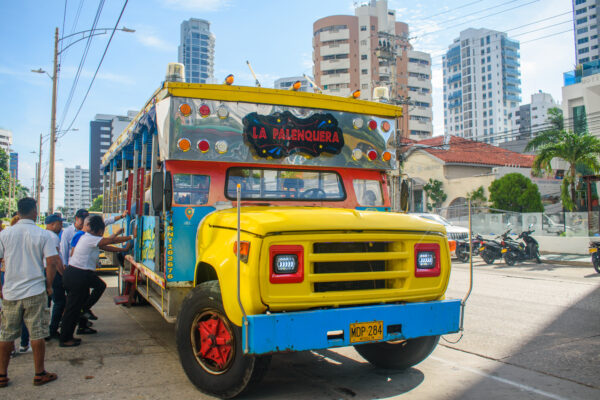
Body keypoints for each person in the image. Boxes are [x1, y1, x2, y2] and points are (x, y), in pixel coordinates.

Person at [0, 198, 61, 387]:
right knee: (37, 333)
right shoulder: (43, 235)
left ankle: (2, 374)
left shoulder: (5, 234)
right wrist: (48, 285)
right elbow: (51, 262)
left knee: (7, 334)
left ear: (18, 212)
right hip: (35, 290)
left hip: (11, 291)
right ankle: (39, 373)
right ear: (35, 212)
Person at [59, 215, 132, 347]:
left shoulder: (89, 238)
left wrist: (123, 249)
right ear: (99, 230)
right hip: (78, 274)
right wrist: (131, 237)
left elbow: (107, 246)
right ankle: (65, 338)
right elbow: (109, 241)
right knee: (72, 309)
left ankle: (83, 311)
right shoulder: (89, 238)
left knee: (99, 287)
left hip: (80, 274)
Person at [45, 214, 66, 340]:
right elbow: (55, 259)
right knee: (60, 302)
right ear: (52, 224)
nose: (61, 226)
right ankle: (52, 330)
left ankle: (45, 330)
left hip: (45, 271)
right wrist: (62, 274)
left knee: (47, 303)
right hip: (53, 273)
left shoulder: (44, 235)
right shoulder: (53, 237)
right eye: (60, 223)